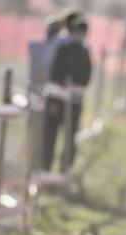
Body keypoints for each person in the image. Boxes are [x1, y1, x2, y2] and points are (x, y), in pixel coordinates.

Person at [41, 16, 92, 172]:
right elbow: (53, 72)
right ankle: (45, 170)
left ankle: (63, 172)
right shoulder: (61, 47)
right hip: (56, 98)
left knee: (70, 138)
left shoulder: (84, 51)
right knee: (50, 135)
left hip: (74, 101)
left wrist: (76, 84)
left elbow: (86, 77)